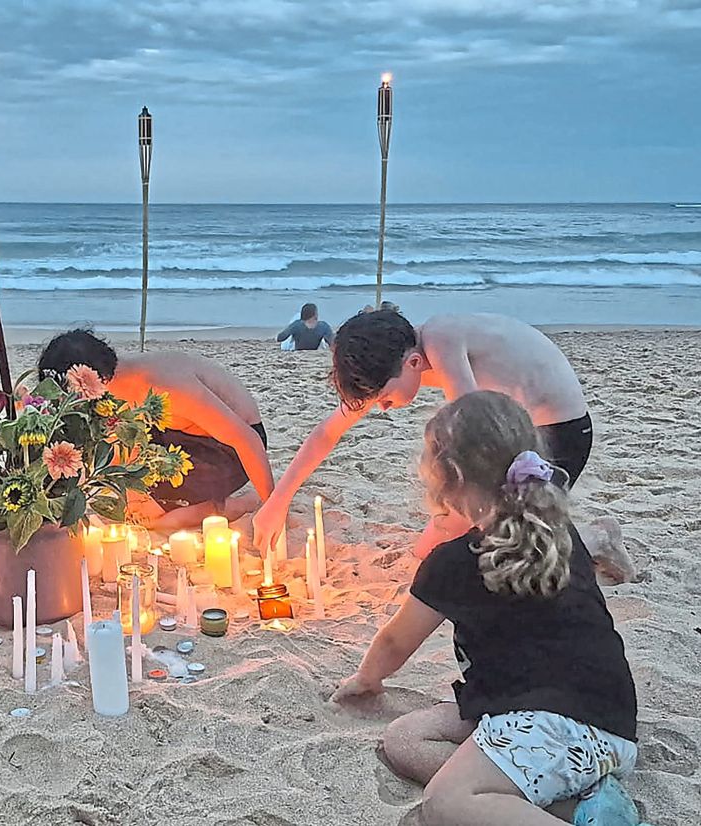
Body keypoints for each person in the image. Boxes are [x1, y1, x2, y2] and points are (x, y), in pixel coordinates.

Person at [330, 392, 639, 826]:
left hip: (555, 727)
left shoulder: (454, 560)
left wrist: (367, 678)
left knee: (445, 803)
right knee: (406, 738)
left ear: (448, 477)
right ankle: (583, 807)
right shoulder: (559, 533)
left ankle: (539, 799)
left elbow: (396, 640)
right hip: (608, 720)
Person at [253, 310, 606, 563]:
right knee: (444, 547)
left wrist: (443, 523)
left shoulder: (442, 339)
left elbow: (475, 434)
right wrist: (277, 502)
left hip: (559, 434)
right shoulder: (394, 358)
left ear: (413, 363)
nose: (384, 408)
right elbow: (327, 433)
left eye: (385, 399)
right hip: (512, 429)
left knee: (501, 549)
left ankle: (597, 541)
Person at [38, 329, 273, 530]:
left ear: (91, 382)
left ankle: (240, 504)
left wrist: (274, 506)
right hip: (181, 434)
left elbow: (247, 440)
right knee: (123, 482)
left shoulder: (165, 386)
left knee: (158, 517)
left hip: (230, 451)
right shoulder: (116, 385)